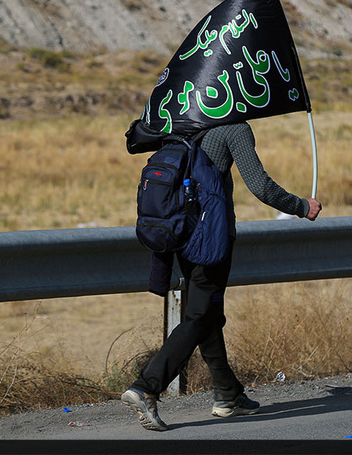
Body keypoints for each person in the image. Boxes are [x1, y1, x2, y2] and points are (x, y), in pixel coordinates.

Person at [121, 121, 322, 431]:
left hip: (181, 234)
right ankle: (147, 387)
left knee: (209, 314)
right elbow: (260, 185)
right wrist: (300, 206)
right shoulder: (233, 127)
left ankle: (228, 396)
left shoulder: (180, 120)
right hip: (210, 238)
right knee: (199, 317)